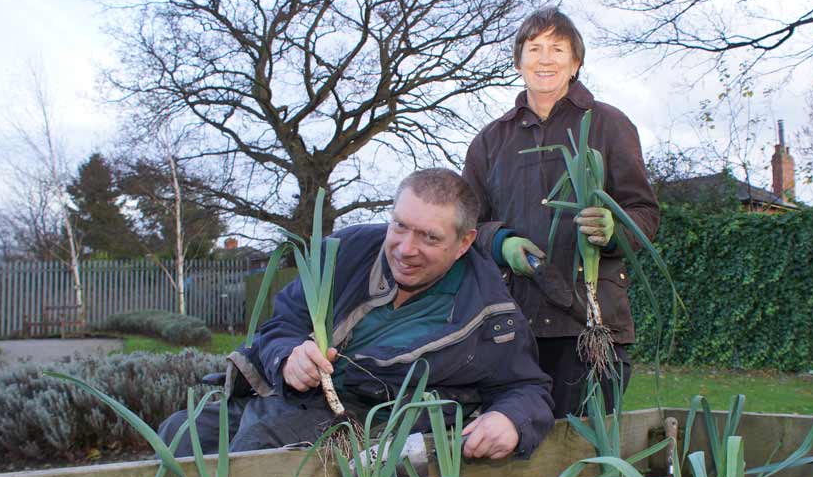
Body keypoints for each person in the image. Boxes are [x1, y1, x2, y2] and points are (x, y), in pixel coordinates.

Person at [158, 168, 554, 460]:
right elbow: (283, 324)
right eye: (400, 226)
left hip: (370, 421)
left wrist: (511, 420)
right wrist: (288, 358)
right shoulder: (345, 251)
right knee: (177, 434)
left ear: (465, 242)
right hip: (292, 397)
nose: (405, 249)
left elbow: (527, 388)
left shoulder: (490, 315)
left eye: (429, 237)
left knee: (257, 451)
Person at [463, 7, 660, 418]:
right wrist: (501, 243)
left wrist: (615, 226)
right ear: (518, 61)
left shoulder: (608, 124)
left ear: (576, 61)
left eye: (558, 48)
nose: (546, 58)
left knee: (587, 454)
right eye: (534, 48)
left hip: (591, 323)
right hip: (516, 324)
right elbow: (465, 227)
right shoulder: (490, 141)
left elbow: (644, 212)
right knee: (519, 452)